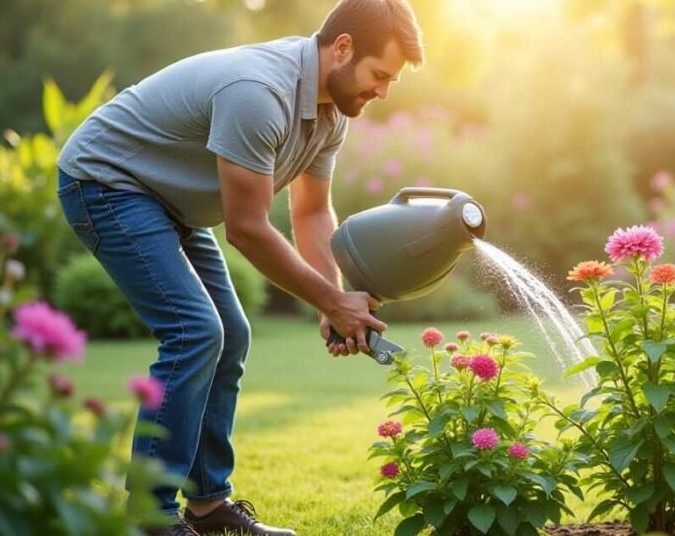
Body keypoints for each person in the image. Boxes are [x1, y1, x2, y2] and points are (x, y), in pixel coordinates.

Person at [55, 1, 423, 534]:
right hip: (106, 181)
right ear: (343, 48)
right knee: (195, 331)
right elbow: (246, 228)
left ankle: (207, 505)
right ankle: (149, 517)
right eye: (380, 75)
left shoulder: (331, 113)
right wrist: (332, 301)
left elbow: (311, 211)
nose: (383, 91)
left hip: (168, 200)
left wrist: (333, 301)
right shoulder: (259, 92)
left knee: (232, 333)